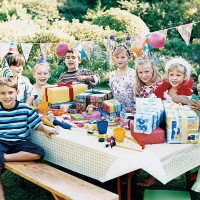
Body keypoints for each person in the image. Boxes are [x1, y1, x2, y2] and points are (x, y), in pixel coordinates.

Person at [0, 77, 59, 199]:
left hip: (19, 143)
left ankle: (4, 157)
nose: (7, 96)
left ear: (17, 92)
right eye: (2, 93)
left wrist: (44, 128)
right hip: (1, 142)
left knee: (38, 152)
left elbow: (36, 123)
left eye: (10, 92)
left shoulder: (25, 108)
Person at [109, 44, 136, 112]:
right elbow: (112, 93)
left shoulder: (133, 74)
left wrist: (135, 110)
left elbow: (137, 94)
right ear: (113, 58)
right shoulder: (112, 75)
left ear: (129, 58)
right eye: (117, 57)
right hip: (115, 110)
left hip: (130, 111)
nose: (119, 60)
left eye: (123, 57)